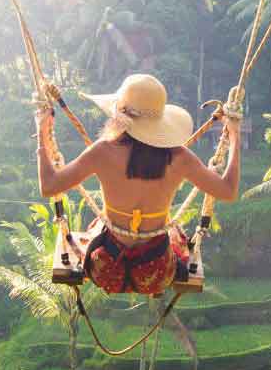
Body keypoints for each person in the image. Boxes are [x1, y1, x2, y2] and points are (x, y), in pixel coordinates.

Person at [35, 73, 241, 297]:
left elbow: (49, 186)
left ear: (119, 117)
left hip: (105, 267)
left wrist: (41, 132)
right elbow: (228, 191)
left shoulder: (103, 152)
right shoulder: (180, 158)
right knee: (175, 234)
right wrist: (235, 136)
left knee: (96, 227)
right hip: (157, 272)